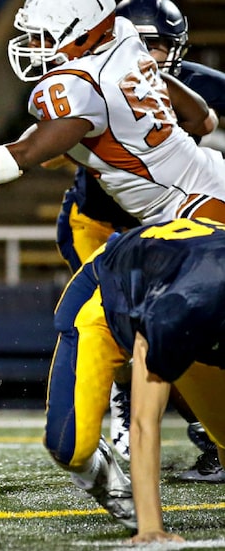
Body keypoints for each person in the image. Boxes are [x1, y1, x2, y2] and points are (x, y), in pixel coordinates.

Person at [0, 0, 225, 522]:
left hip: (191, 225)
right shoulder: (129, 41)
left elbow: (28, 150)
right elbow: (203, 118)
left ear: (86, 32)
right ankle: (109, 451)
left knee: (149, 335)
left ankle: (115, 452)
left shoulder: (74, 84)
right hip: (200, 194)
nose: (33, 49)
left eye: (43, 36)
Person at [53, 0, 225, 480]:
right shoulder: (89, 80)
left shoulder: (185, 83)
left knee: (193, 327)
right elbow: (44, 153)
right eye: (142, 42)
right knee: (113, 323)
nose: (151, 56)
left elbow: (205, 117)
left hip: (177, 225)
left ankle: (205, 429)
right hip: (104, 225)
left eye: (161, 45)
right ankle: (123, 409)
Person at [47, 217, 225, 542]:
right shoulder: (180, 310)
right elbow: (144, 423)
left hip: (179, 271)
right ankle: (103, 470)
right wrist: (152, 528)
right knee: (70, 447)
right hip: (107, 291)